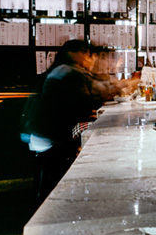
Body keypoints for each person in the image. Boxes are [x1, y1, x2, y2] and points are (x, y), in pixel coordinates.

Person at [24, 40, 104, 202]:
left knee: (91, 135)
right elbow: (91, 98)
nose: (92, 61)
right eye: (89, 56)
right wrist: (128, 83)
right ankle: (69, 196)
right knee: (93, 145)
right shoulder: (67, 71)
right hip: (48, 137)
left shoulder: (60, 70)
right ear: (78, 55)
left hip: (41, 132)